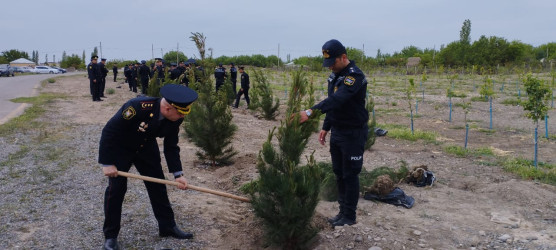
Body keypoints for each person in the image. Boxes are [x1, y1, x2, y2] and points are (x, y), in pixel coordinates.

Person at [99, 84, 198, 250]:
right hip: (121, 148)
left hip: (146, 147)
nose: (182, 116)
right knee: (116, 191)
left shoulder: (176, 116)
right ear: (167, 108)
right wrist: (107, 163)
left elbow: (171, 146)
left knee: (158, 185)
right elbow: (110, 131)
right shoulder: (137, 107)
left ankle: (167, 226)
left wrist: (178, 174)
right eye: (180, 113)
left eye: (184, 113)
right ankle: (110, 237)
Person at [298, 39, 369, 227]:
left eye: (332, 63)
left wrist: (310, 111)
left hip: (353, 133)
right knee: (338, 173)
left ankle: (350, 216)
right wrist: (326, 126)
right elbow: (333, 104)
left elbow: (338, 100)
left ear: (343, 57)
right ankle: (342, 211)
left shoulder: (354, 77)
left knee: (350, 174)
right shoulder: (334, 76)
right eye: (327, 64)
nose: (330, 68)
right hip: (337, 131)